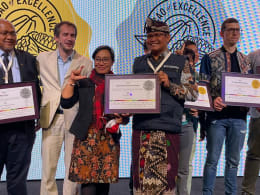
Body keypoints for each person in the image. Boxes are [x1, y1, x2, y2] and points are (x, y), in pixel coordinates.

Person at [132, 18, 198, 195]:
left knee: (166, 183)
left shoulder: (180, 62)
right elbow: (131, 95)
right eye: (149, 35)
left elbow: (192, 94)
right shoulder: (138, 63)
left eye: (157, 35)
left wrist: (170, 84)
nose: (152, 39)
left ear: (168, 37)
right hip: (142, 128)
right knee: (140, 183)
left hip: (168, 128)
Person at [61, 45, 129, 195]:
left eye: (105, 59)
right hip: (86, 137)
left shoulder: (119, 83)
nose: (101, 62)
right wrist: (72, 80)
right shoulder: (84, 82)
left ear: (112, 62)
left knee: (104, 184)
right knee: (87, 184)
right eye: (98, 59)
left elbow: (125, 116)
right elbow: (66, 102)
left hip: (108, 137)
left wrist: (122, 118)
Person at [38, 21, 92, 195]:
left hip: (74, 119)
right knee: (48, 167)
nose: (70, 38)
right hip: (51, 118)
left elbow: (87, 95)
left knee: (72, 167)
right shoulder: (41, 59)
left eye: (73, 35)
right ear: (56, 38)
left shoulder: (85, 62)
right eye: (65, 35)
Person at [199, 18, 251, 195]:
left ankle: (231, 193)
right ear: (222, 33)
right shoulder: (210, 57)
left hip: (239, 118)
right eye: (230, 30)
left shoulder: (246, 61)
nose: (234, 33)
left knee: (234, 161)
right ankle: (207, 193)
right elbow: (202, 87)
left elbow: (251, 89)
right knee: (212, 159)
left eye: (237, 30)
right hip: (217, 117)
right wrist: (213, 99)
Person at [0, 19, 41, 195]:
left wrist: (39, 114)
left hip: (22, 130)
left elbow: (37, 89)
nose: (10, 37)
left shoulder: (28, 59)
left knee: (17, 181)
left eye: (13, 33)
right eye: (5, 33)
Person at [177, 40, 200, 195]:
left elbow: (204, 100)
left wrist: (200, 111)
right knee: (171, 165)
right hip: (172, 124)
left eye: (191, 58)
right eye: (185, 56)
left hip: (190, 124)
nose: (188, 61)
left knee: (186, 165)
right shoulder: (173, 73)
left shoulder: (198, 77)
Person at [241, 49, 260, 195]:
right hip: (258, 113)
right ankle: (248, 192)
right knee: (254, 154)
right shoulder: (253, 56)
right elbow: (245, 82)